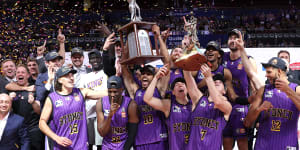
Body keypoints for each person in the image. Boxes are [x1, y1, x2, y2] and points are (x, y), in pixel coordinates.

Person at [121, 24, 170, 150]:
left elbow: (168, 63)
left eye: (149, 74)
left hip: (159, 138)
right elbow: (123, 67)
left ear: (154, 77)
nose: (145, 76)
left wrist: (158, 36)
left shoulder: (159, 89)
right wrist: (129, 38)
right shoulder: (135, 91)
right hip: (140, 140)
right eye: (143, 74)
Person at [39, 66, 108, 150]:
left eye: (72, 75)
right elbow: (41, 123)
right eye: (67, 76)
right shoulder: (52, 98)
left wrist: (117, 78)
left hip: (80, 146)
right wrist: (56, 138)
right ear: (60, 80)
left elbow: (106, 93)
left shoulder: (81, 92)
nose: (71, 78)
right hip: (61, 145)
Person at [244, 57, 300, 149]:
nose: (266, 75)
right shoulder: (263, 90)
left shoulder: (296, 89)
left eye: (269, 72)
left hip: (288, 144)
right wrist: (259, 109)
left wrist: (288, 90)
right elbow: (247, 122)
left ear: (279, 71)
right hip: (264, 145)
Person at [222, 29, 257, 150]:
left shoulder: (249, 60)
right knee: (226, 143)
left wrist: (253, 112)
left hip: (241, 107)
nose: (233, 40)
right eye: (231, 38)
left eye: (236, 38)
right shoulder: (222, 57)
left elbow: (255, 87)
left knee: (243, 145)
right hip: (225, 107)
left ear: (243, 42)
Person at [184, 64, 232, 149]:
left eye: (220, 82)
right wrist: (185, 64)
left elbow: (217, 102)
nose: (216, 82)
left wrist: (209, 78)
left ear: (224, 91)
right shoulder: (199, 99)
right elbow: (189, 81)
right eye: (214, 82)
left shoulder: (227, 106)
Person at [144, 65, 191, 150]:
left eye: (183, 84)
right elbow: (147, 98)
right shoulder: (168, 105)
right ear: (173, 92)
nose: (180, 85)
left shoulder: (195, 105)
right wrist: (156, 78)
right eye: (176, 84)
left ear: (187, 89)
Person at [79, 49, 115, 150]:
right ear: (89, 61)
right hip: (89, 113)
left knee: (102, 143)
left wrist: (91, 93)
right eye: (92, 58)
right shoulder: (84, 77)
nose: (95, 60)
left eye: (97, 58)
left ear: (101, 59)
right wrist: (100, 94)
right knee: (90, 143)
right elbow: (82, 94)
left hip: (104, 113)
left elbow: (109, 93)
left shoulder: (106, 73)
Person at [96, 76, 139, 150]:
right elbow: (102, 133)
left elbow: (132, 134)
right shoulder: (100, 103)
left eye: (115, 91)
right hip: (107, 145)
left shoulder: (131, 104)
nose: (112, 95)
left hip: (124, 144)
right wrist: (110, 116)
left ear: (122, 90)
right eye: (110, 91)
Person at [7, 65, 43, 150]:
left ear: (28, 75)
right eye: (18, 72)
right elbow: (7, 112)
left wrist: (33, 102)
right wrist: (10, 101)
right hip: (18, 130)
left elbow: (39, 111)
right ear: (16, 76)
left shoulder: (35, 88)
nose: (20, 74)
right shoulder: (12, 90)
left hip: (34, 129)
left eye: (23, 72)